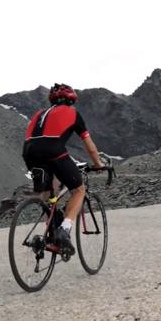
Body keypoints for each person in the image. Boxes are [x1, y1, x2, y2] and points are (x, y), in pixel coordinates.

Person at [22, 83, 104, 253]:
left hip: (29, 152)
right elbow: (90, 147)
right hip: (53, 151)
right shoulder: (73, 113)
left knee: (49, 193)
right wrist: (98, 164)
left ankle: (50, 230)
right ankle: (64, 230)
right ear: (71, 99)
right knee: (79, 190)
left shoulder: (39, 114)